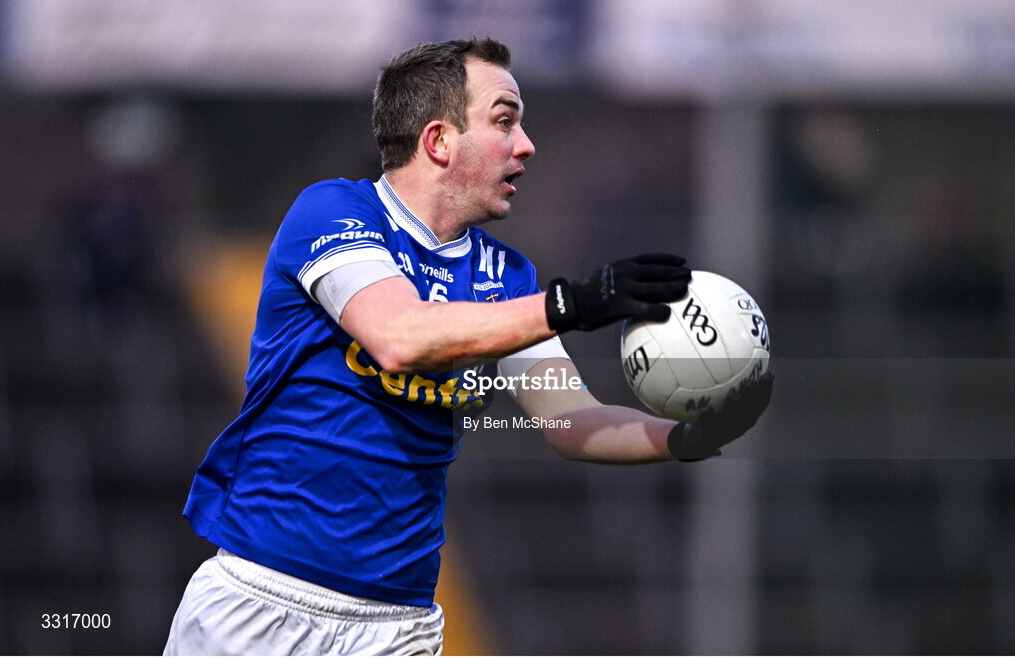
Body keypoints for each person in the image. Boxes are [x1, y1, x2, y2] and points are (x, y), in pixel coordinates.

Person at [164, 38, 773, 656]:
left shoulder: (507, 277)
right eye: (504, 121)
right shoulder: (334, 212)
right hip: (260, 602)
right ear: (438, 141)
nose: (526, 145)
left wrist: (683, 437)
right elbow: (398, 337)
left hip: (397, 626)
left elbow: (570, 420)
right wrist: (573, 304)